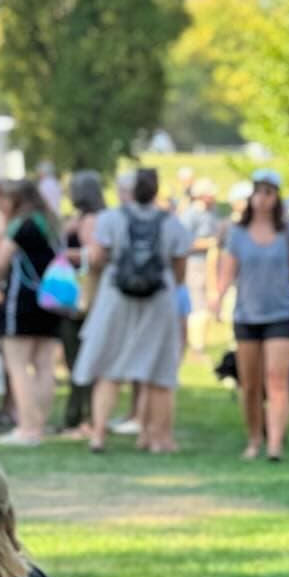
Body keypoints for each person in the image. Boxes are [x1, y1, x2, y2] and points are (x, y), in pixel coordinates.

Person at [75, 167, 192, 454]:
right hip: (158, 299)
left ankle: (98, 434)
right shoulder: (171, 223)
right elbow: (179, 269)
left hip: (116, 297)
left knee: (109, 369)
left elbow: (99, 257)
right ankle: (157, 437)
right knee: (159, 370)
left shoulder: (110, 220)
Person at [209, 169, 289, 461]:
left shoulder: (288, 232)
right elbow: (228, 271)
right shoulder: (238, 233)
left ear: (276, 196)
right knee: (250, 384)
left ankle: (275, 444)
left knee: (277, 379)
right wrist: (217, 300)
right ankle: (254, 438)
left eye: (269, 192)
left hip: (281, 314)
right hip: (247, 314)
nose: (262, 198)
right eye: (258, 190)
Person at [0, 178, 63, 447]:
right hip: (52, 301)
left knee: (18, 365)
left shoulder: (20, 225)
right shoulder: (51, 223)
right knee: (44, 365)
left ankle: (27, 427)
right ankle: (38, 424)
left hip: (21, 301)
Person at [59, 172, 104, 437]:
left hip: (83, 298)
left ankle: (81, 416)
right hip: (81, 297)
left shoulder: (89, 221)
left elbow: (94, 256)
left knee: (79, 358)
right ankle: (79, 414)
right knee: (77, 359)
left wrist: (64, 254)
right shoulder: (82, 220)